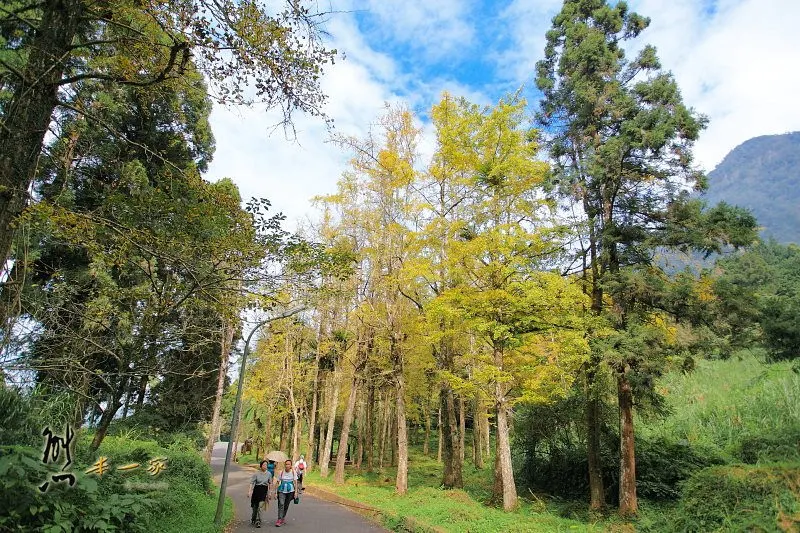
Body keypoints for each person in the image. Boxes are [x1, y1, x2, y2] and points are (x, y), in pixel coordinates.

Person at [273, 459, 298, 527]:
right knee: (281, 504)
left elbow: (295, 483)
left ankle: (283, 517)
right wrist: (275, 492)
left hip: (290, 491)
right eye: (286, 464)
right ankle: (279, 519)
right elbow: (277, 482)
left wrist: (296, 492)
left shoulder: (293, 472)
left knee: (286, 505)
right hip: (281, 490)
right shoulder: (281, 472)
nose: (287, 465)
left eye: (288, 464)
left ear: (290, 465)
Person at [248, 460, 273, 528]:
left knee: (260, 507)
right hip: (256, 491)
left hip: (263, 491)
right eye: (264, 465)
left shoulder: (269, 474)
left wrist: (270, 492)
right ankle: (253, 518)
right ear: (261, 466)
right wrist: (249, 491)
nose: (265, 466)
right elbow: (251, 482)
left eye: (266, 465)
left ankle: (258, 521)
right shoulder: (256, 474)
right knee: (254, 507)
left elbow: (270, 483)